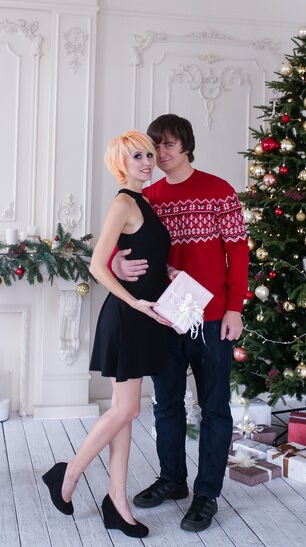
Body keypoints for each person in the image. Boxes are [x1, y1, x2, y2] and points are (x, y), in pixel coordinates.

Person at [112, 114, 249, 532]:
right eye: (155, 147)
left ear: (186, 146)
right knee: (166, 404)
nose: (162, 154)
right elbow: (124, 247)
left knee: (214, 407)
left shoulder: (218, 191)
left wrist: (235, 308)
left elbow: (238, 251)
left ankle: (206, 494)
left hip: (211, 319)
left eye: (169, 145)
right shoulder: (146, 197)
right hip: (164, 318)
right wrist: (117, 261)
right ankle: (172, 480)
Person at [42, 131, 171, 539]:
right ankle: (69, 474)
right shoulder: (123, 202)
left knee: (124, 412)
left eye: (150, 155)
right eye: (138, 156)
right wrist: (133, 302)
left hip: (143, 315)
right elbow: (99, 265)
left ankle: (117, 499)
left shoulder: (144, 202)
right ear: (121, 162)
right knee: (127, 410)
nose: (147, 162)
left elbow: (144, 256)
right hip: (128, 315)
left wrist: (166, 273)